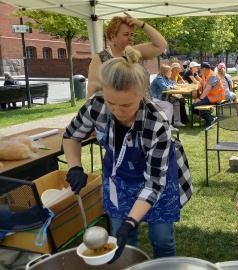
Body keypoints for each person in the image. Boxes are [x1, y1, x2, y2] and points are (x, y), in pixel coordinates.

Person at [63, 46, 192, 262]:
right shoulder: (96, 105)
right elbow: (71, 136)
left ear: (142, 94)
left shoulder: (156, 122)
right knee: (123, 239)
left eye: (126, 104)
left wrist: (131, 221)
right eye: (111, 102)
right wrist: (75, 166)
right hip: (119, 179)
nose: (117, 110)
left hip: (156, 179)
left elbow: (153, 185)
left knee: (161, 238)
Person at [86, 12, 167, 98]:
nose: (130, 38)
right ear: (113, 36)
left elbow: (161, 44)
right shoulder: (100, 58)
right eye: (126, 34)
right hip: (118, 110)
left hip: (144, 109)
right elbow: (93, 89)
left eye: (131, 34)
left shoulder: (137, 51)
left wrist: (141, 24)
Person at [191, 62, 225, 127]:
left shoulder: (213, 76)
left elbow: (208, 88)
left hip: (215, 98)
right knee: (193, 106)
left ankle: (209, 119)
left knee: (193, 107)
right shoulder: (205, 75)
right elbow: (202, 84)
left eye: (200, 69)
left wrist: (200, 98)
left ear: (206, 69)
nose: (199, 70)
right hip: (210, 97)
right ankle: (211, 117)